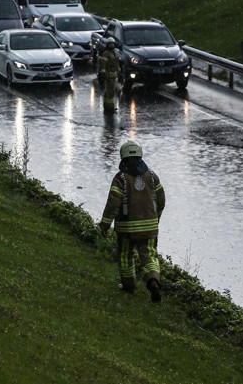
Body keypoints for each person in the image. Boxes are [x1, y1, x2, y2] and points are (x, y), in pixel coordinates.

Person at [99, 140, 166, 303]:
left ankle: (129, 286)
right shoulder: (152, 176)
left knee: (125, 255)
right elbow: (161, 199)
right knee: (149, 256)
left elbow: (113, 203)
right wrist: (156, 217)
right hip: (149, 227)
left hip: (126, 229)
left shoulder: (120, 178)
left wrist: (105, 224)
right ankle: (153, 281)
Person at [97, 39, 120, 111]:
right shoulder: (106, 53)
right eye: (110, 44)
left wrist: (120, 72)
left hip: (113, 75)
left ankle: (108, 106)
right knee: (110, 91)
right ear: (107, 45)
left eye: (112, 44)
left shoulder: (115, 53)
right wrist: (103, 73)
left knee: (109, 91)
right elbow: (103, 64)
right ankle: (109, 107)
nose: (111, 45)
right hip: (108, 75)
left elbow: (116, 64)